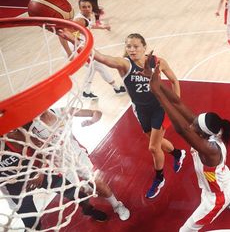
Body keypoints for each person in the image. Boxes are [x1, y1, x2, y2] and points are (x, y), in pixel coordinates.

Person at [59, 32, 187, 199]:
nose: (132, 50)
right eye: (128, 46)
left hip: (159, 107)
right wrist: (73, 39)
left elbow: (174, 80)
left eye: (136, 46)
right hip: (140, 110)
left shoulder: (157, 62)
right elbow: (101, 57)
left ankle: (159, 178)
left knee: (153, 147)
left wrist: (175, 103)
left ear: (144, 47)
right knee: (156, 142)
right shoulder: (124, 64)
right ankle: (178, 154)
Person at [149, 64, 230, 232]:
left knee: (185, 231)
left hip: (216, 198)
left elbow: (182, 129)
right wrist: (157, 81)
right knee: (224, 194)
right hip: (225, 182)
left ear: (202, 134)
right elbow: (177, 102)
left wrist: (157, 94)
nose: (192, 124)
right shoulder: (207, 132)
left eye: (195, 125)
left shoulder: (210, 149)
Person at [0, 123, 107, 230]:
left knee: (77, 194)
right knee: (32, 224)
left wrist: (40, 173)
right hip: (15, 187)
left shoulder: (14, 136)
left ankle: (89, 210)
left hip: (38, 172)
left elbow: (42, 150)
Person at [32, 108, 130, 221]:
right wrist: (41, 169)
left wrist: (92, 120)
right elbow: (37, 153)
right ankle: (88, 203)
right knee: (81, 193)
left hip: (78, 156)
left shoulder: (62, 111)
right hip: (61, 165)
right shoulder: (33, 128)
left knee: (97, 182)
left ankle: (117, 205)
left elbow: (96, 112)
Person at [59, 0, 126, 100]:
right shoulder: (80, 20)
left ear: (91, 7)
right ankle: (116, 88)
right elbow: (62, 33)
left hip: (82, 46)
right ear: (80, 8)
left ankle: (87, 92)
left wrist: (102, 27)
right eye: (83, 7)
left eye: (88, 6)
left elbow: (89, 25)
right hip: (75, 48)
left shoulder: (86, 18)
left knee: (94, 67)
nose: (86, 9)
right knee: (98, 65)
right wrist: (69, 53)